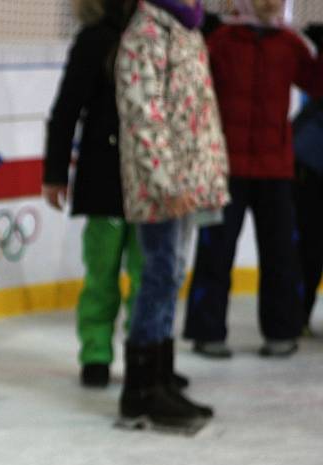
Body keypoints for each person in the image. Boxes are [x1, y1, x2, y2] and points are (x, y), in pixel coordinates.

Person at [183, 0, 323, 358]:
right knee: (215, 251)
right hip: (226, 168)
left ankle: (282, 330)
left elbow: (316, 84)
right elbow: (195, 88)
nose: (269, 3)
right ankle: (207, 329)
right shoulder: (224, 41)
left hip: (275, 169)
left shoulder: (289, 44)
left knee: (280, 254)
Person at [114, 0, 230, 431]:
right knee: (160, 275)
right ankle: (140, 393)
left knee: (172, 272)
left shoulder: (186, 28)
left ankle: (160, 378)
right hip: (161, 184)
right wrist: (167, 181)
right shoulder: (146, 34)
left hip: (185, 181)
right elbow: (144, 113)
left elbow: (196, 111)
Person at [44, 0, 158, 389]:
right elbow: (66, 111)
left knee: (149, 278)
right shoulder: (94, 39)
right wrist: (55, 174)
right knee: (102, 274)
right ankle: (96, 353)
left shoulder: (162, 35)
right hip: (104, 181)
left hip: (152, 181)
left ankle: (147, 355)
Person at [292, 95, 323, 336]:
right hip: (309, 163)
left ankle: (297, 315)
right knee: (309, 245)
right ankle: (297, 315)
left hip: (307, 156)